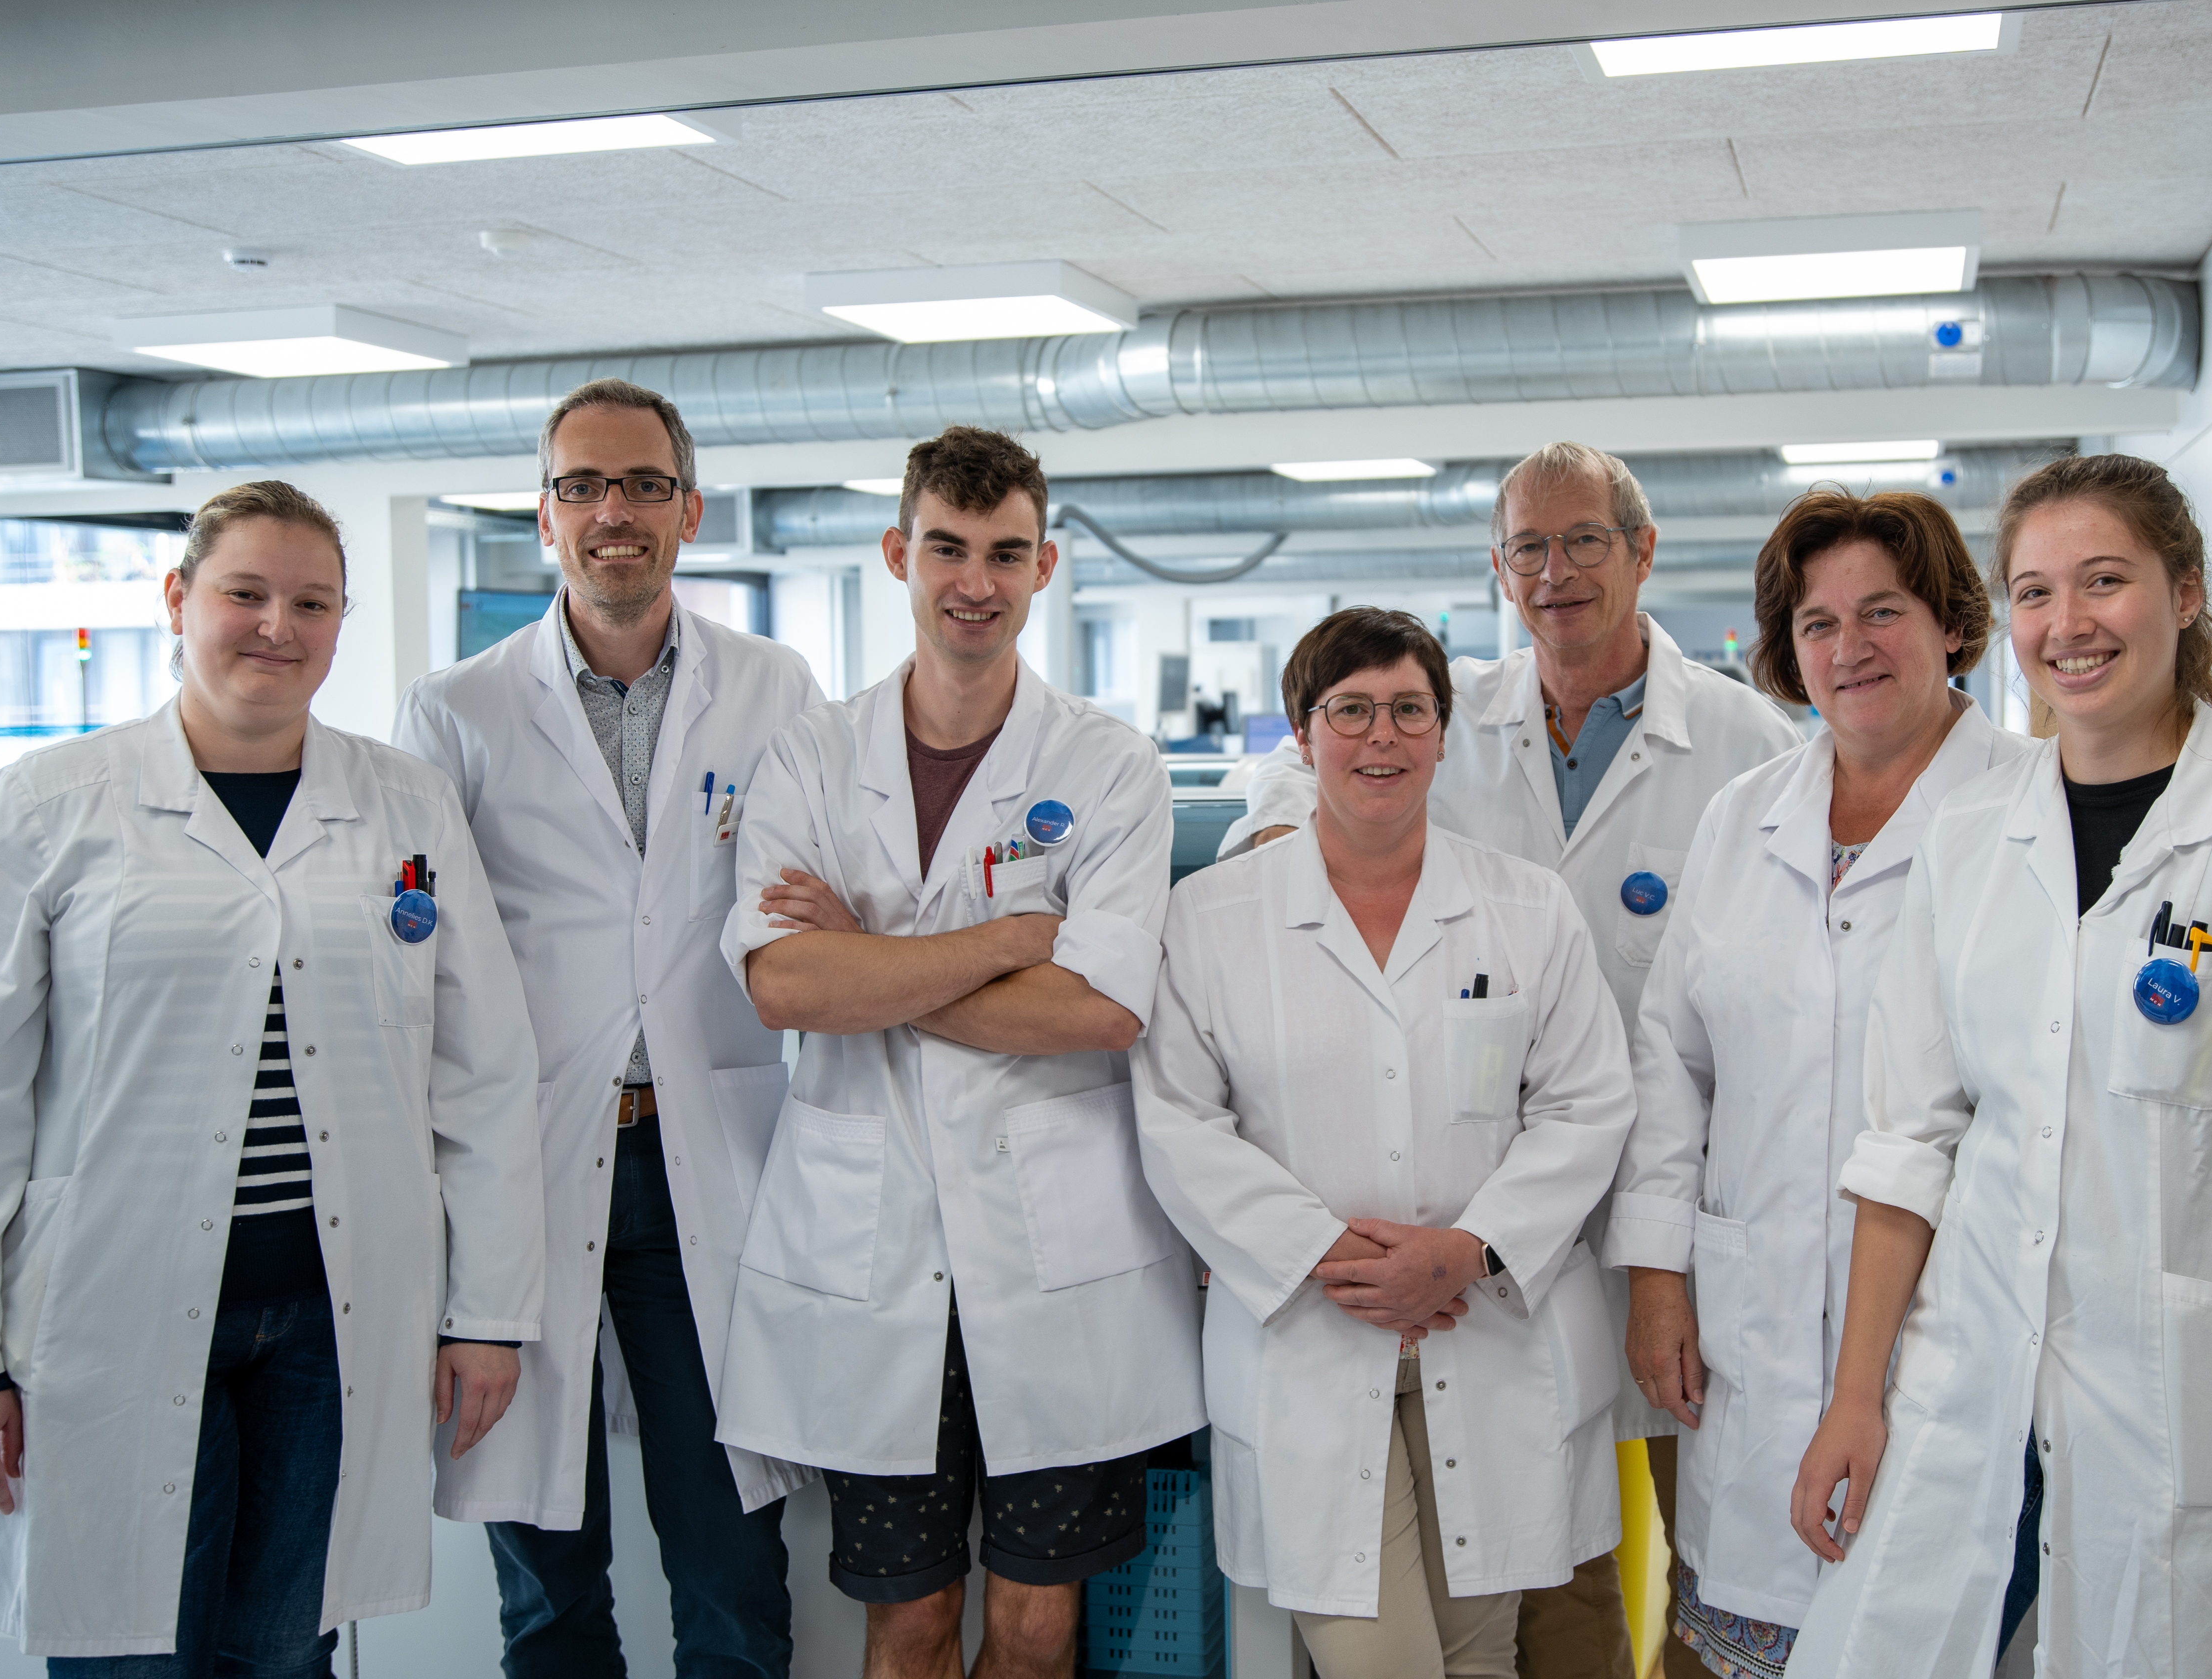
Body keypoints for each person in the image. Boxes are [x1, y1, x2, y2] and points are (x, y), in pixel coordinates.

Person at [1782, 455, 2212, 1679]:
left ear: (2185, 592)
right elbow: (1910, 1145)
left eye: (2105, 582)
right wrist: (1857, 1395)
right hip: (1969, 1382)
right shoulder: (1970, 838)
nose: (2068, 625)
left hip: (2185, 1406)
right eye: (2035, 592)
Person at [0, 480, 546, 1673]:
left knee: (288, 1653)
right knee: (131, 1651)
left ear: (342, 622)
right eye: (245, 593)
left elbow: (485, 1072)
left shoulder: (405, 803)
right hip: (114, 1317)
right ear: (178, 598)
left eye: (312, 602)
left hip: (333, 1320)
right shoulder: (49, 807)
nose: (276, 627)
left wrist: (488, 1313)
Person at [1223, 440, 1800, 1674]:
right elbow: (1291, 771)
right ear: (1498, 568)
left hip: (1675, 1205)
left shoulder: (1748, 743)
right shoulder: (1448, 713)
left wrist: (1656, 1257)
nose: (1556, 571)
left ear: (1642, 552)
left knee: (1715, 1538)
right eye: (1528, 547)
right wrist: (1279, 850)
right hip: (1479, 1211)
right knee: (1548, 1558)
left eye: (1585, 539)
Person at [720, 425, 1203, 1678]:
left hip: (1058, 1265)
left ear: (1045, 567)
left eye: (1004, 552)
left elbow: (1098, 1008)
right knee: (910, 1619)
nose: (974, 580)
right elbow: (784, 981)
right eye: (947, 547)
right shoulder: (812, 757)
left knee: (1040, 1628)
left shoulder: (1109, 766)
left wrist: (871, 962)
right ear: (899, 552)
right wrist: (1003, 942)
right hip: (872, 1252)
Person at [393, 379, 823, 1678]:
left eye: (641, 484)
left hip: (712, 1150)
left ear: (689, 509)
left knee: (734, 1558)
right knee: (545, 1577)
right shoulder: (455, 709)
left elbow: (816, 899)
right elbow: (419, 950)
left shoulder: (775, 687)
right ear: (544, 517)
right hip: (519, 1167)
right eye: (581, 486)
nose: (612, 512)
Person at [1133, 606, 1636, 1679]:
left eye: (1410, 709)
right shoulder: (1212, 917)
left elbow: (1587, 1104)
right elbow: (1178, 1121)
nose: (1381, 736)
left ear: (1444, 732)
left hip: (1488, 1325)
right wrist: (1330, 1253)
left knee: (1479, 1660)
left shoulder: (1526, 908)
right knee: (1384, 1665)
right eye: (1350, 709)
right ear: (1302, 735)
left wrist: (1467, 1247)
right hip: (1314, 1332)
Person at [1607, 488, 2025, 1679]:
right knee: (1741, 1632)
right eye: (1817, 622)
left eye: (1882, 611)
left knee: (1937, 1630)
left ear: (1950, 622)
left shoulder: (2024, 810)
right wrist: (1656, 1276)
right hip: (1755, 1321)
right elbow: (1672, 1062)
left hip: (1955, 1321)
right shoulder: (1749, 817)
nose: (1850, 648)